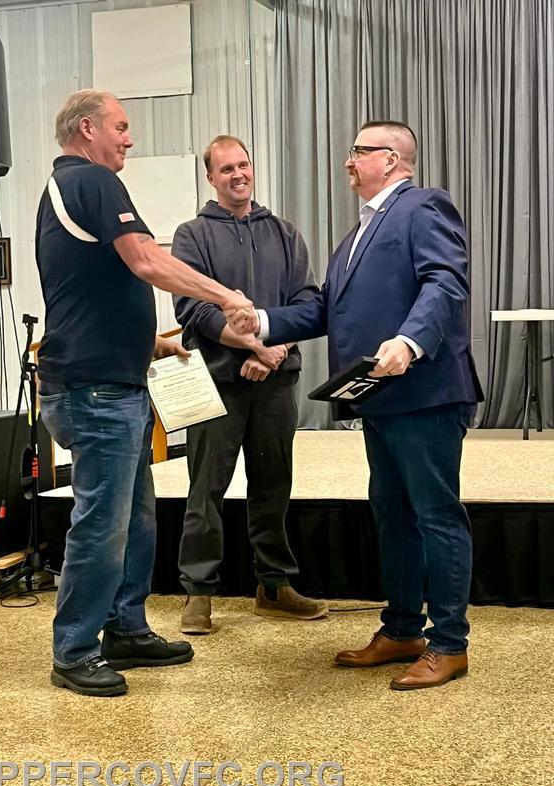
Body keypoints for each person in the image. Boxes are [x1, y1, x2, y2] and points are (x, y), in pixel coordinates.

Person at [226, 121, 484, 690]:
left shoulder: (423, 207)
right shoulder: (358, 234)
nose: (348, 161)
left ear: (390, 159)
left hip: (425, 394)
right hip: (381, 400)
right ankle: (402, 630)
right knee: (393, 518)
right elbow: (327, 310)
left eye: (359, 151)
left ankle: (449, 644)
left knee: (436, 516)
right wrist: (262, 321)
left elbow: (445, 282)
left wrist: (410, 341)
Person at [35, 90, 254, 697]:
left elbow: (84, 287)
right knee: (102, 524)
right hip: (96, 392)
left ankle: (125, 629)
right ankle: (75, 650)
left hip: (108, 379)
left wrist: (147, 343)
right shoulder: (93, 180)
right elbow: (148, 261)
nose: (129, 138)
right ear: (88, 129)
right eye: (121, 126)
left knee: (134, 520)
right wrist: (227, 296)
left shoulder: (66, 186)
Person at [172, 135, 328, 634]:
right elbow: (193, 310)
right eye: (226, 169)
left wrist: (272, 349)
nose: (238, 175)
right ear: (210, 177)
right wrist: (254, 347)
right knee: (206, 491)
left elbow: (308, 304)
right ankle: (198, 592)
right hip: (216, 383)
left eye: (244, 165)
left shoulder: (285, 233)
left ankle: (274, 587)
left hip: (276, 380)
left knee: (273, 486)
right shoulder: (191, 236)